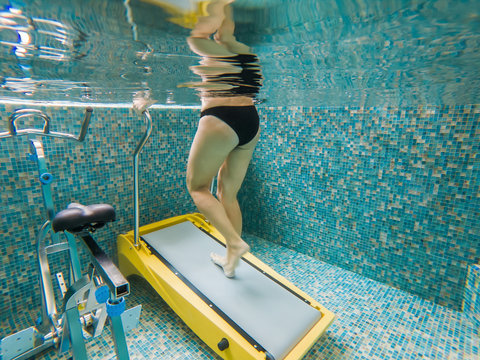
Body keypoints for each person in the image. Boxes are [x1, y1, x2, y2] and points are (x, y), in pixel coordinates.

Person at [185, 0, 262, 278]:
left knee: (198, 188)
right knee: (227, 193)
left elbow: (200, 36)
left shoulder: (214, 54)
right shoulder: (242, 52)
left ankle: (235, 242)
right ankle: (231, 261)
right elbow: (222, 35)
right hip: (250, 120)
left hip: (221, 116)